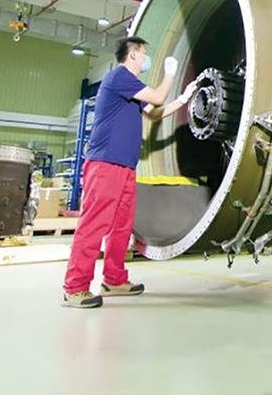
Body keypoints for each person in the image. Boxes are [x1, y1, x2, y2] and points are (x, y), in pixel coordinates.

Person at [62, 36, 198, 309]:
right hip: (105, 164)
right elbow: (158, 96)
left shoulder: (132, 90)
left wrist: (183, 99)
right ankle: (74, 288)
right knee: (94, 225)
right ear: (133, 54)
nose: (146, 58)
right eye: (144, 53)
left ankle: (113, 279)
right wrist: (170, 74)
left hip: (125, 167)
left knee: (122, 226)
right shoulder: (119, 77)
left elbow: (155, 112)